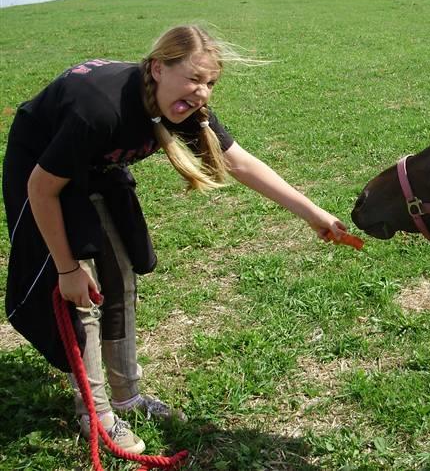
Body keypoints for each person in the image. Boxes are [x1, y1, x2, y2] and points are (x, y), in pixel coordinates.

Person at [3, 25, 349, 454]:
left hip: (97, 169)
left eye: (210, 83)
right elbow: (42, 188)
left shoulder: (183, 108)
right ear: (156, 68)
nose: (202, 92)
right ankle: (96, 413)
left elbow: (238, 162)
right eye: (193, 79)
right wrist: (67, 269)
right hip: (42, 173)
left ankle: (128, 395)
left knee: (121, 274)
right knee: (82, 294)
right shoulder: (102, 108)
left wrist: (313, 215)